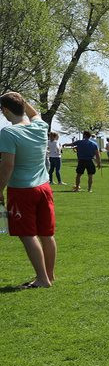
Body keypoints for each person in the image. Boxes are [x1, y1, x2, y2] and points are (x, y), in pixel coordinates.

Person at [0, 92, 56, 288]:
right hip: (44, 187)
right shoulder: (40, 127)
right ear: (22, 106)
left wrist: (0, 189)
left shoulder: (9, 133)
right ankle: (49, 275)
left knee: (27, 234)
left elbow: (7, 165)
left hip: (22, 190)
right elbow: (35, 114)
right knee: (46, 234)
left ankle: (42, 279)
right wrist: (20, 97)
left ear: (5, 111)